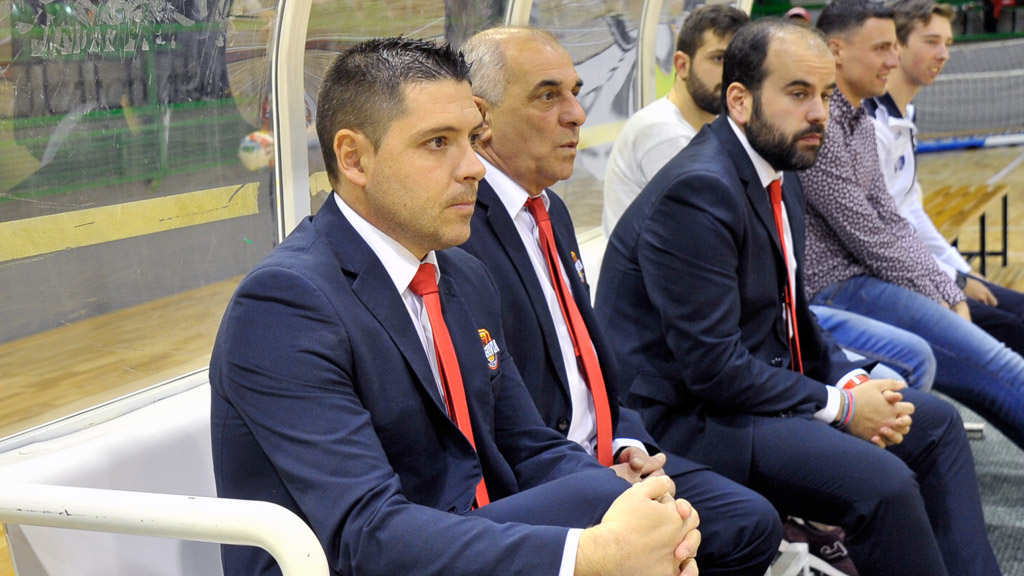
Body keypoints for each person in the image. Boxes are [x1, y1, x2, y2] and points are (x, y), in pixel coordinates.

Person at [209, 37, 700, 576]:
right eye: (438, 142)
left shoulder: (461, 273)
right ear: (354, 158)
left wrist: (641, 506)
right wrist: (595, 553)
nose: (475, 167)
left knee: (646, 520)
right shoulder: (286, 304)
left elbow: (531, 447)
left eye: (472, 137)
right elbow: (367, 535)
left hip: (467, 537)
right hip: (367, 561)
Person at [595, 18, 1001, 576]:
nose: (820, 113)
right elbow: (714, 368)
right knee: (884, 487)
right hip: (688, 420)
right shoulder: (699, 191)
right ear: (739, 99)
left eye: (827, 95)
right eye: (798, 93)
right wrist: (841, 408)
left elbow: (792, 313)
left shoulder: (781, 170)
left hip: (742, 394)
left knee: (934, 422)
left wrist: (851, 381)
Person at [459, 26, 781, 576]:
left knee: (753, 524)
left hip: (609, 448)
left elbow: (589, 362)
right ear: (481, 118)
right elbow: (493, 411)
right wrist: (592, 476)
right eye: (547, 96)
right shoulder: (460, 229)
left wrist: (625, 439)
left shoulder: (550, 212)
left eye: (576, 91)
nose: (577, 114)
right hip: (542, 473)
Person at [799, 0, 1024, 451]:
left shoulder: (859, 117)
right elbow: (868, 232)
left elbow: (893, 219)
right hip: (837, 287)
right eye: (883, 48)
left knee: (998, 366)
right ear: (836, 50)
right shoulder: (822, 124)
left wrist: (948, 285)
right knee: (1001, 367)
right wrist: (945, 288)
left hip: (864, 279)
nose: (893, 60)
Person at [868, 0, 1024, 356]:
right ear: (898, 45)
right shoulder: (870, 125)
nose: (943, 54)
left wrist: (962, 270)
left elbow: (912, 212)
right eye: (931, 41)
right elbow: (882, 235)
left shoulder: (906, 112)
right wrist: (952, 280)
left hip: (926, 267)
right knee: (1012, 329)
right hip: (896, 278)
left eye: (948, 44)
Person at [602, 5, 748, 237]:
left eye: (738, 62)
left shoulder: (706, 128)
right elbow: (704, 230)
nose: (730, 74)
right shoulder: (664, 132)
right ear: (682, 65)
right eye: (718, 58)